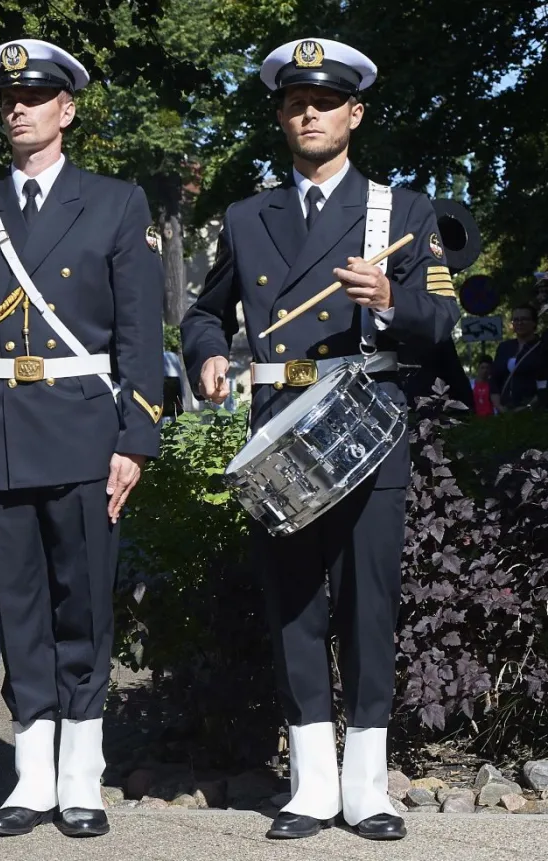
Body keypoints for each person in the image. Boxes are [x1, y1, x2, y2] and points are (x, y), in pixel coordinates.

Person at [181, 39, 460, 841]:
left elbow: (443, 323)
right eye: (297, 102)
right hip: (281, 435)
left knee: (369, 610)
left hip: (367, 430)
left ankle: (368, 785)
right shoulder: (246, 215)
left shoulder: (401, 213)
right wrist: (205, 355)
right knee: (295, 606)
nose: (311, 113)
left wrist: (389, 302)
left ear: (355, 114)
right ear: (280, 114)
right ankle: (310, 785)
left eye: (326, 102)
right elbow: (206, 311)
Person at [0, 39, 164, 839]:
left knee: (82, 606)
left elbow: (138, 335)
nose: (17, 108)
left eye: (35, 97)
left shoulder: (116, 203)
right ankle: (29, 772)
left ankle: (80, 773)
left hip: (85, 432)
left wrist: (136, 438)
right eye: (8, 99)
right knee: (15, 606)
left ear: (67, 110)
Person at [491, 304, 546, 412]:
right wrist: (498, 406)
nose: (520, 323)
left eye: (524, 319)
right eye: (516, 319)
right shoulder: (504, 347)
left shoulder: (542, 347)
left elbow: (544, 383)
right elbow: (494, 380)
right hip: (506, 410)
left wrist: (529, 407)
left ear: (534, 322)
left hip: (534, 410)